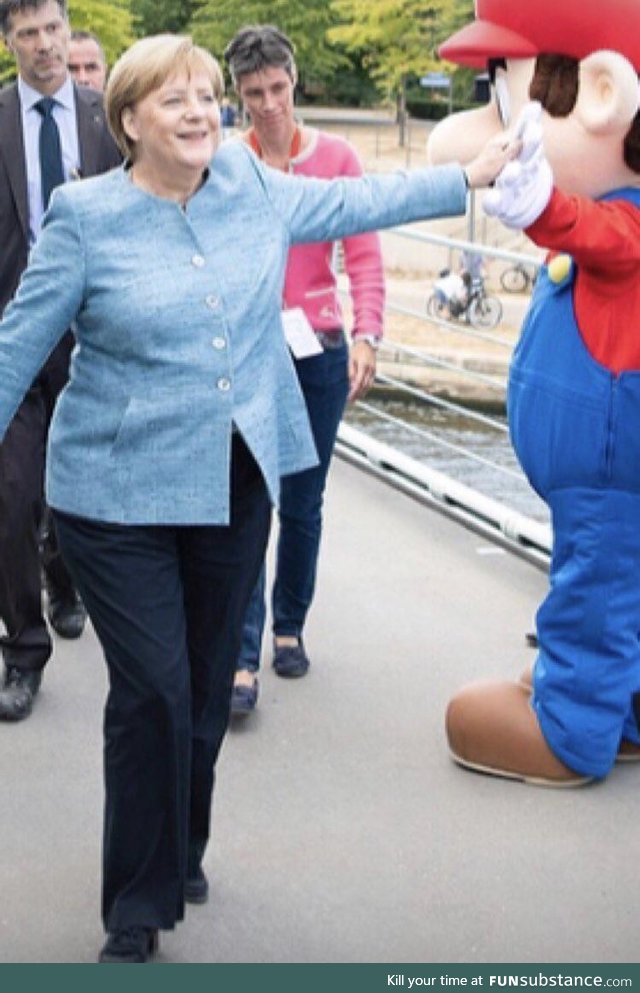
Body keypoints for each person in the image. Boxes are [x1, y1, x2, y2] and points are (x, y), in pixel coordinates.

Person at [0, 32, 516, 962]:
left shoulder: (252, 187)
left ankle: (179, 841)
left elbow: (356, 199)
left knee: (200, 690)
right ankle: (136, 901)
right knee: (152, 688)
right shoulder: (84, 216)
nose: (203, 112)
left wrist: (469, 176)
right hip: (114, 495)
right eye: (176, 100)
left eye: (208, 96)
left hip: (234, 477)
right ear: (128, 121)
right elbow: (15, 346)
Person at [428, 0, 640, 785]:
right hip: (600, 472)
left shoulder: (623, 224)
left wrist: (543, 206)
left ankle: (573, 732)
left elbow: (594, 233)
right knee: (617, 582)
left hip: (609, 475)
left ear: (602, 96)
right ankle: (622, 706)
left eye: (502, 93)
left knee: (596, 580)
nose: (482, 123)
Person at [223, 25, 385, 713]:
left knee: (304, 499)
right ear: (238, 93)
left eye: (277, 89)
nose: (267, 104)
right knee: (247, 501)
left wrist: (368, 333)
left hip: (318, 346)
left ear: (296, 82)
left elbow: (366, 252)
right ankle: (239, 653)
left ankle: (289, 624)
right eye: (253, 92)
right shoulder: (228, 161)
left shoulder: (338, 158)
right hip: (250, 349)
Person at [0, 0, 121, 723]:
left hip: (94, 335)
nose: (44, 46)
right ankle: (21, 649)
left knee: (78, 491)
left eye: (53, 30)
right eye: (27, 35)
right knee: (10, 495)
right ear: (8, 41)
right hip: (13, 337)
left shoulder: (110, 116)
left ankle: (64, 576)